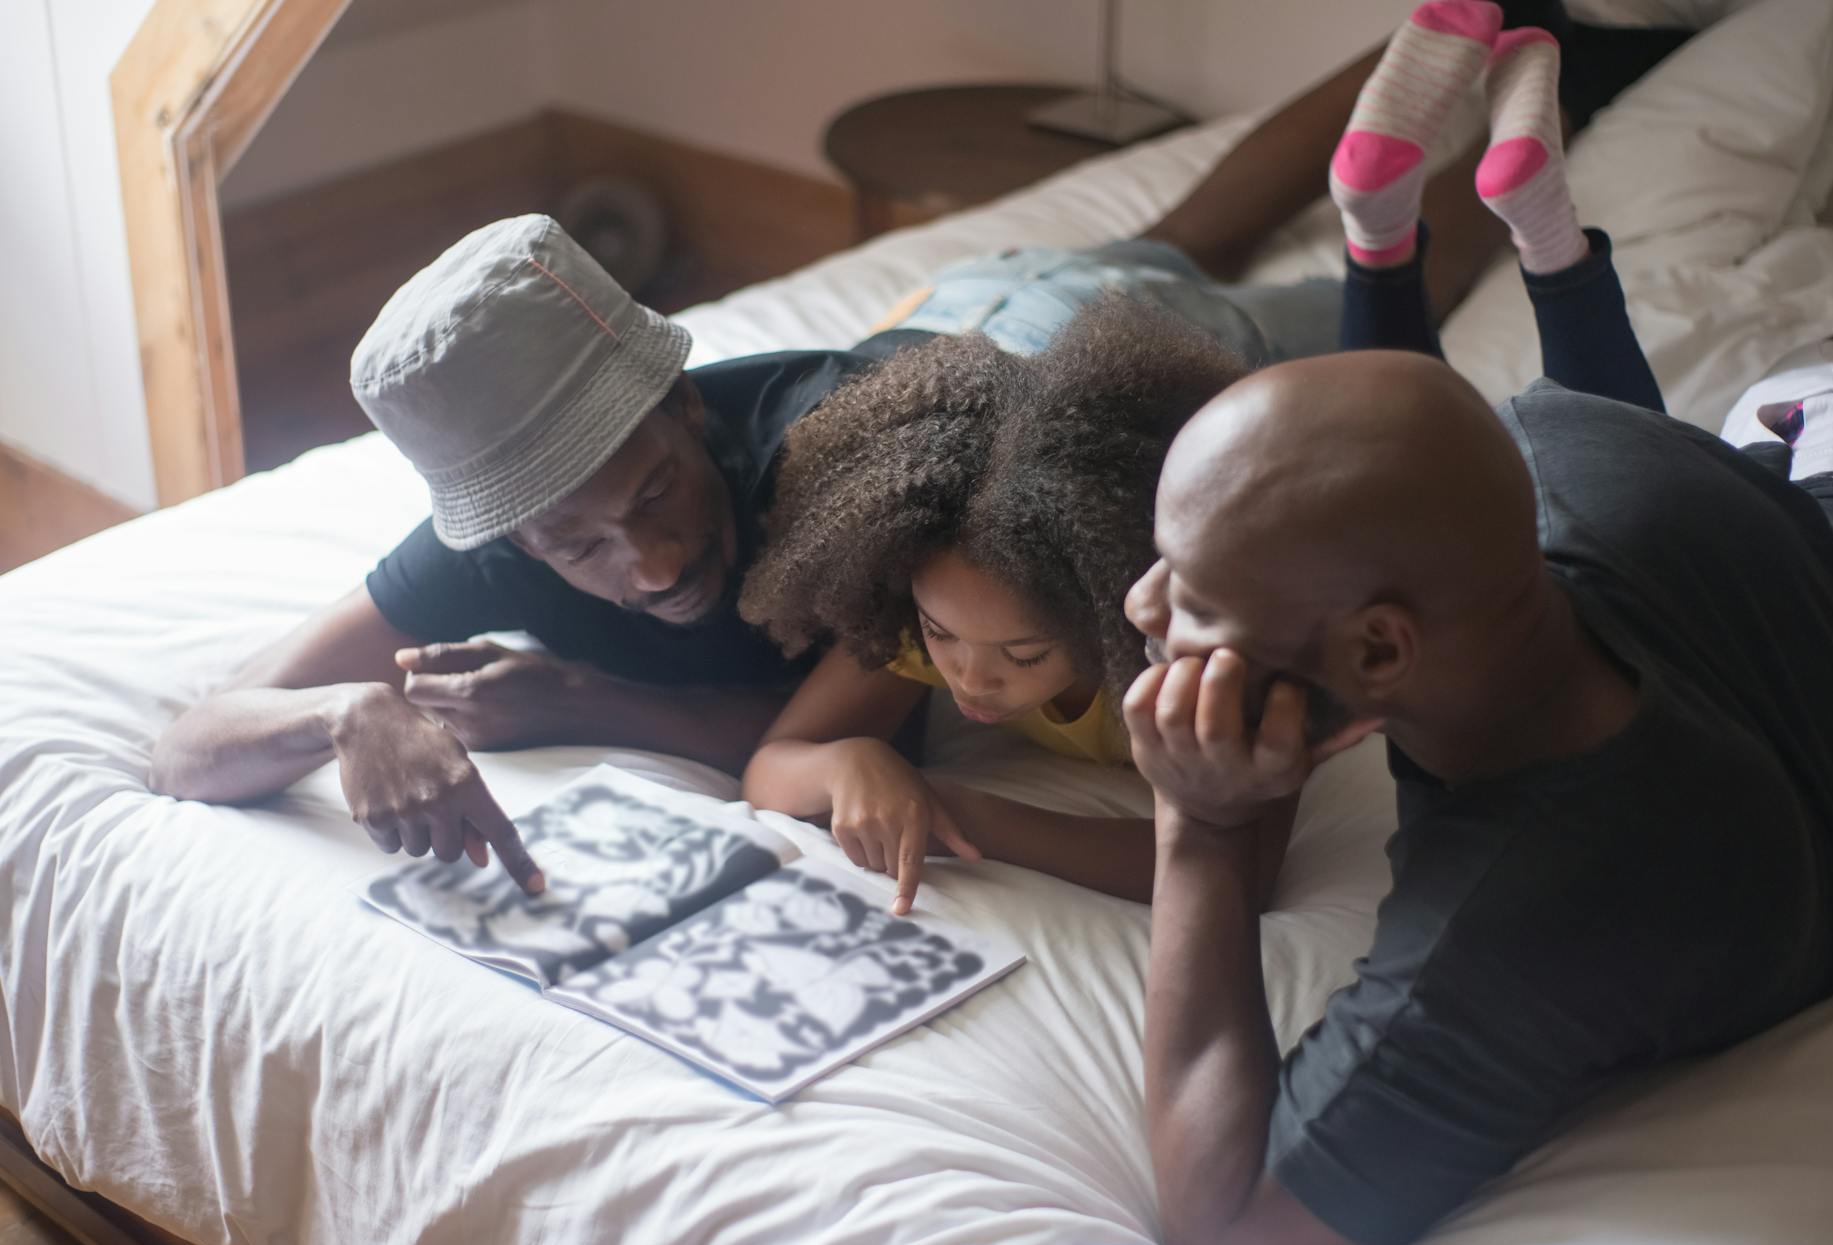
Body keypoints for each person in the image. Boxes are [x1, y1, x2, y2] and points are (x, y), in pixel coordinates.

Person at [146, 2, 1687, 891]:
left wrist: (598, 690)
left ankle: (1527, 61)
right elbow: (186, 736)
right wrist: (349, 712)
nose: (655, 557)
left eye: (663, 494)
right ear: (503, 533)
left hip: (1061, 362)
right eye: (576, 547)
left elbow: (788, 736)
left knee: (1332, 321)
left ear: (691, 399)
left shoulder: (874, 499)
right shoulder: (494, 520)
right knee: (1181, 228)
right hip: (948, 322)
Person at [1119, 4, 1833, 1245]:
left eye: (1192, 598)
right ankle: (1392, 241)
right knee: (1826, 371)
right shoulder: (1573, 449)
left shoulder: (1534, 908)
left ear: (1381, 658)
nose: (1142, 611)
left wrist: (1202, 827)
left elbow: (1228, 1220)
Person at [737, 299, 1251, 915]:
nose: (970, 680)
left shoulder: (1185, 655)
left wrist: (955, 811)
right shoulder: (934, 592)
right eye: (939, 634)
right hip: (1008, 312)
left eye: (1025, 654)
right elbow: (770, 766)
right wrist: (847, 764)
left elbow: (1240, 863)